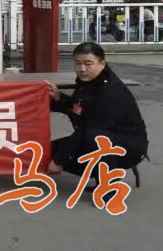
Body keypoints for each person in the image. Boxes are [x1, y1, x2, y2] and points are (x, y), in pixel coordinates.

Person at [46, 42, 148, 180]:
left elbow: (89, 130)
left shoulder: (109, 91)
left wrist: (60, 160)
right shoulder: (89, 81)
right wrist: (59, 97)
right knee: (47, 151)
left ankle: (109, 188)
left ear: (102, 63)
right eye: (78, 63)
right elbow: (78, 108)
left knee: (92, 139)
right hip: (99, 136)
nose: (82, 69)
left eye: (88, 64)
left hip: (129, 147)